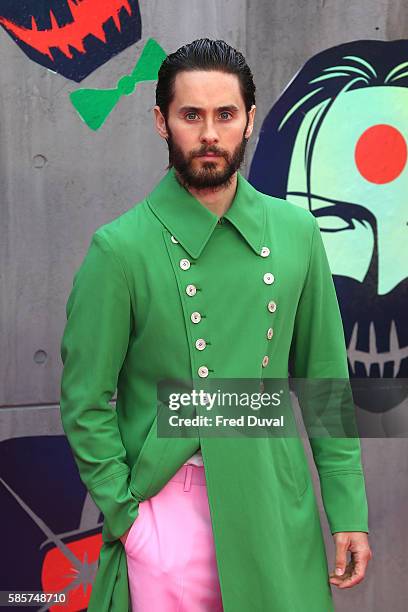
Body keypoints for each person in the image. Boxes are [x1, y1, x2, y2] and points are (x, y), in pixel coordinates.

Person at [59, 38, 372, 612]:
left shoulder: (296, 233)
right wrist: (129, 520)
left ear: (249, 120)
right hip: (168, 508)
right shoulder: (120, 248)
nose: (210, 133)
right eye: (191, 115)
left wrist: (347, 509)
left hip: (276, 497)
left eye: (225, 114)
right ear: (162, 121)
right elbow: (85, 400)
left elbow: (325, 382)